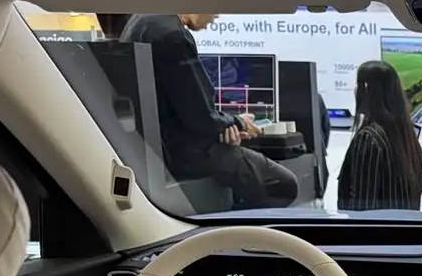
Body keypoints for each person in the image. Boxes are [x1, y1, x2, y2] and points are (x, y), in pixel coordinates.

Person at [120, 14, 299, 209]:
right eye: (215, 11)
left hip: (154, 148)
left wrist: (225, 125)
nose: (215, 18)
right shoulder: (174, 37)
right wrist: (239, 123)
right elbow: (201, 118)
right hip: (185, 152)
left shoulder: (139, 22)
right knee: (283, 186)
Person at [337, 61, 422, 211]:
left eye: (358, 85)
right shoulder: (406, 136)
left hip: (374, 226)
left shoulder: (369, 138)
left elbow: (363, 206)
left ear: (367, 90)